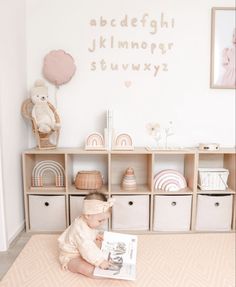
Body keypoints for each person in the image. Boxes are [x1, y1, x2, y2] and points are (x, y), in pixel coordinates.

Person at [58, 191, 115, 278]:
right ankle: (73, 264)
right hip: (72, 256)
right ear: (88, 215)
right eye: (100, 221)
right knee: (86, 268)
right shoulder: (79, 231)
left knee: (100, 244)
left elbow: (90, 231)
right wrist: (100, 261)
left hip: (82, 249)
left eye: (105, 220)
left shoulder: (87, 221)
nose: (103, 223)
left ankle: (94, 258)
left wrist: (95, 234)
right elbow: (86, 247)